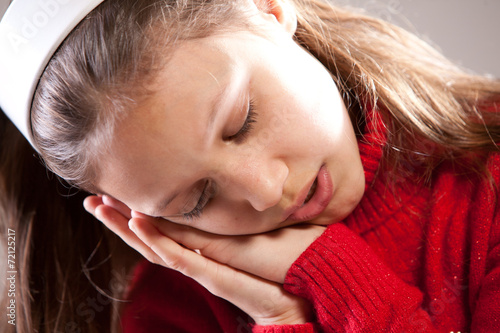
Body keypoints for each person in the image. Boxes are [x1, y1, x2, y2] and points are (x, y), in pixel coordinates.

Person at [1, 0, 499, 332]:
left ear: (270, 10)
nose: (266, 191)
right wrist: (282, 318)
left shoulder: (489, 173)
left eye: (243, 121)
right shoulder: (169, 316)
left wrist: (333, 279)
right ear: (130, 214)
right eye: (194, 201)